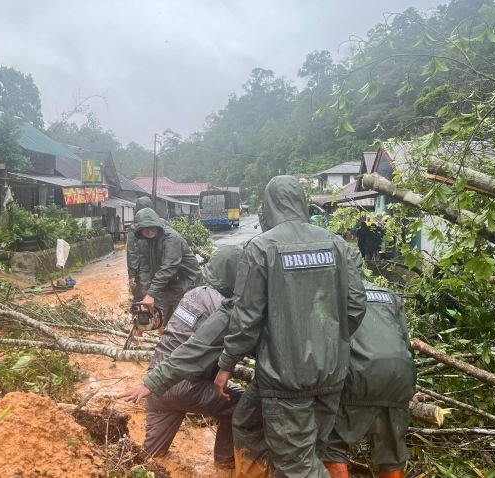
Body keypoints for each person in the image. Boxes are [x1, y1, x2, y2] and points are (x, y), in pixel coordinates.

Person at [214, 175, 366, 478]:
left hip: (285, 379)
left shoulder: (261, 247)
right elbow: (356, 305)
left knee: (298, 466)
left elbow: (247, 317)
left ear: (268, 207)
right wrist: (329, 341)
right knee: (266, 431)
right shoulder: (336, 244)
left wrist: (226, 364)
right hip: (331, 372)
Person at [120, 245, 245, 468]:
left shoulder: (194, 293)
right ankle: (225, 462)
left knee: (151, 460)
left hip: (157, 384)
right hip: (186, 386)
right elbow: (197, 350)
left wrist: (152, 381)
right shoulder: (224, 308)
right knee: (244, 405)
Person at [322, 278, 416, 478]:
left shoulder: (331, 291)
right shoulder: (387, 294)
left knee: (332, 448)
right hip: (399, 377)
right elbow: (404, 341)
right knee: (392, 455)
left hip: (358, 376)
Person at [133, 207, 200, 321]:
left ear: (157, 224)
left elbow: (169, 267)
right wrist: (146, 295)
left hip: (186, 281)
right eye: (144, 229)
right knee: (166, 318)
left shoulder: (171, 238)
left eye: (151, 227)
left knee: (185, 319)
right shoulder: (143, 242)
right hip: (167, 283)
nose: (148, 231)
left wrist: (151, 294)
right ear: (140, 230)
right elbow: (145, 269)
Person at [127, 197, 156, 300]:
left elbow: (132, 253)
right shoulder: (161, 224)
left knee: (141, 299)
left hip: (142, 272)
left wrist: (131, 275)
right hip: (160, 271)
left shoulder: (134, 228)